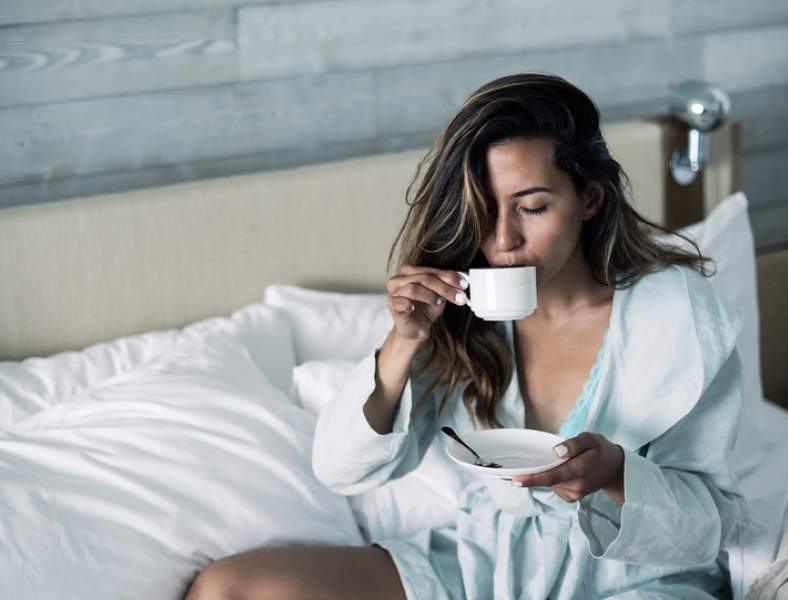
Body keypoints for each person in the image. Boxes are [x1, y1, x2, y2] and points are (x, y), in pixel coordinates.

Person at [185, 73, 745, 599]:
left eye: (532, 207)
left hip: (629, 577)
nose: (501, 240)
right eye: (483, 210)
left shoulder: (674, 315)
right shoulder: (461, 313)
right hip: (487, 564)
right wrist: (403, 343)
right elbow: (342, 469)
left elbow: (714, 523)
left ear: (590, 199)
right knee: (229, 587)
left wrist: (618, 475)